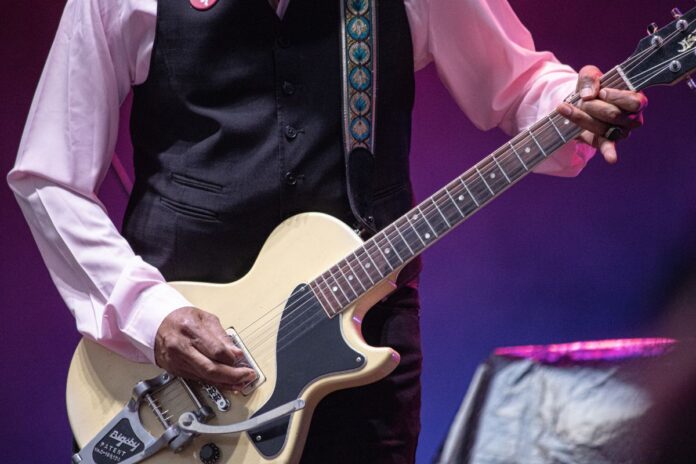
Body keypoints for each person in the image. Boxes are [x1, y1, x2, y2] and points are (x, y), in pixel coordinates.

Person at [8, 0, 647, 461]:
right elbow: (48, 176)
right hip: (177, 371)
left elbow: (521, 85)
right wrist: (147, 315)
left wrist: (571, 100)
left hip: (361, 342)